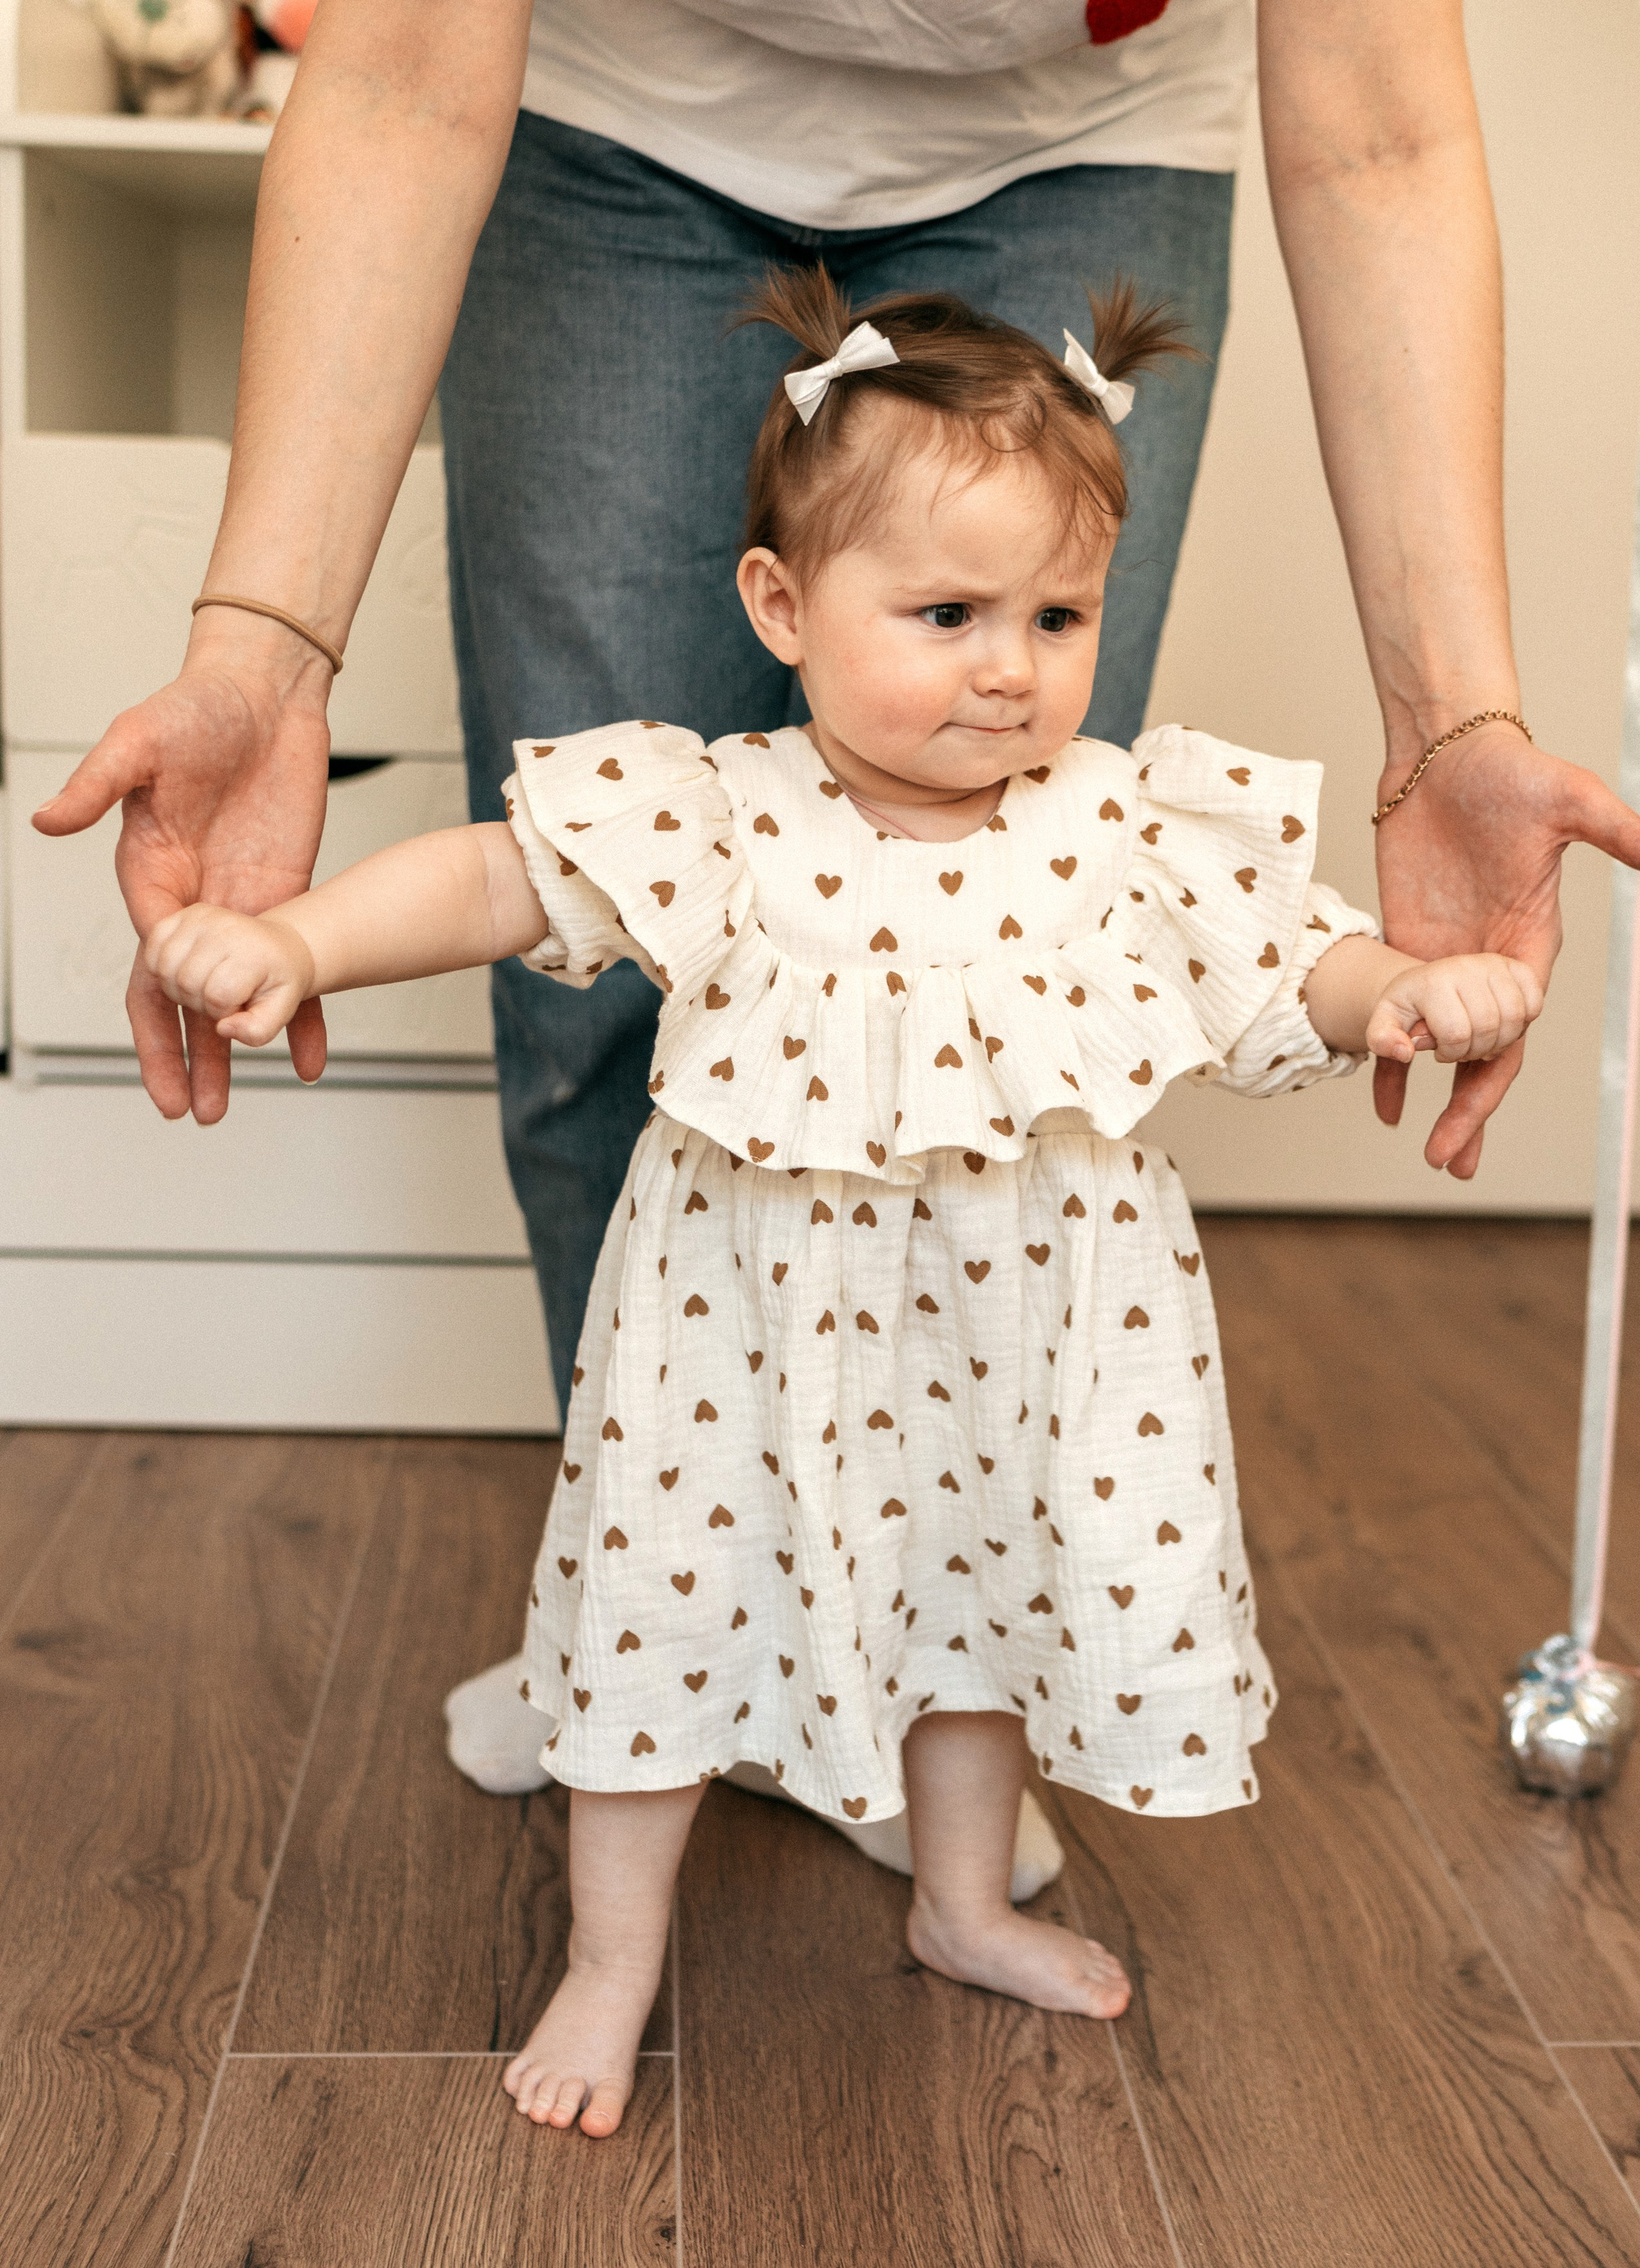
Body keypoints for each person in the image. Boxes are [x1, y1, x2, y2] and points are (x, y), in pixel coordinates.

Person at [34, 0, 1640, 1866]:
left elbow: (1383, 123)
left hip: (1086, 132)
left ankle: (933, 1687)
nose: (1013, 659)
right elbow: (410, 62)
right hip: (603, 114)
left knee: (1003, 1025)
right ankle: (656, 1626)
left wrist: (1450, 717)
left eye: (1043, 629)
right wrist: (267, 642)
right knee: (599, 1020)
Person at [138, 278, 1553, 2134]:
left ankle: (963, 1903)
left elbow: (1294, 961)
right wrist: (302, 940)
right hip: (738, 1346)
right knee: (659, 1627)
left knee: (984, 1617)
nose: (1010, 669)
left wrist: (1413, 994)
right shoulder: (721, 814)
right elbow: (496, 882)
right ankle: (611, 1961)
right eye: (949, 615)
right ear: (782, 608)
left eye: (1057, 617)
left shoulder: (1123, 826)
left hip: (1020, 1343)